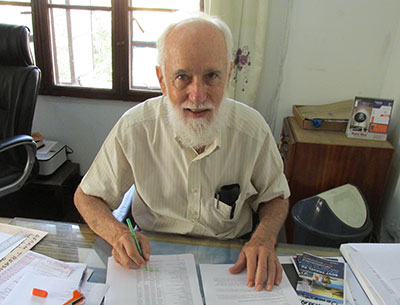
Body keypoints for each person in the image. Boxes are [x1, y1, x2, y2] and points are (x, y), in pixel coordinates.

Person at [74, 13, 290, 292]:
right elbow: (87, 196)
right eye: (182, 77)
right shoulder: (135, 127)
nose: (198, 95)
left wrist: (263, 238)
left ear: (229, 74)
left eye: (212, 76)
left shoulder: (253, 130)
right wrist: (117, 235)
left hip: (232, 262)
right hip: (151, 259)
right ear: (163, 80)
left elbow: (276, 197)